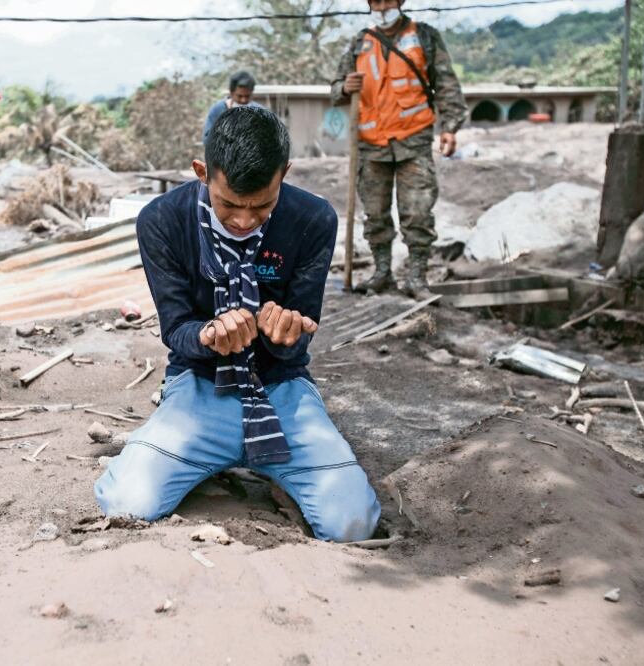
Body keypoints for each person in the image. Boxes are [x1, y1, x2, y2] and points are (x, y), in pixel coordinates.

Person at [95, 107, 380, 543]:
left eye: (262, 206)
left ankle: (239, 459)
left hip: (280, 388)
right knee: (127, 504)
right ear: (201, 173)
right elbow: (177, 332)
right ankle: (214, 450)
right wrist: (209, 336)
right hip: (201, 384)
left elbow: (298, 339)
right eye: (229, 204)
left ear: (284, 174)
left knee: (352, 524)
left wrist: (285, 334)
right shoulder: (161, 221)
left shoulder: (313, 220)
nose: (244, 220)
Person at [331, 0, 467, 299]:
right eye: (375, 1)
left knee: (417, 213)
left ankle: (417, 278)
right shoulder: (359, 43)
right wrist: (344, 87)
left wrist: (450, 127)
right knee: (375, 214)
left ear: (400, 1)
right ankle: (382, 274)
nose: (381, 6)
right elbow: (336, 89)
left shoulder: (425, 37)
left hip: (413, 141)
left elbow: (446, 83)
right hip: (370, 144)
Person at [202, 70, 263, 143]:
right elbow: (207, 139)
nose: (243, 100)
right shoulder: (218, 110)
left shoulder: (260, 111)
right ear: (231, 93)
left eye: (247, 96)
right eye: (239, 96)